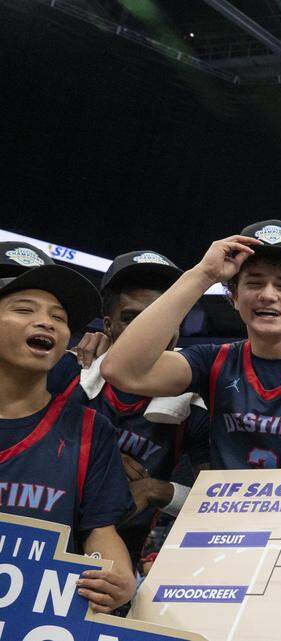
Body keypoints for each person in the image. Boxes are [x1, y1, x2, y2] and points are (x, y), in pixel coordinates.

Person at [102, 220, 281, 470]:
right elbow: (120, 370)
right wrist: (204, 274)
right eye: (254, 283)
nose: (267, 295)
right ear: (234, 297)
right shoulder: (212, 361)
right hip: (228, 523)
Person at [49, 251, 209, 566]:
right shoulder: (65, 371)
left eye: (161, 316)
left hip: (117, 561)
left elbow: (218, 499)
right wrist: (99, 456)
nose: (146, 330)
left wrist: (156, 490)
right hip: (36, 543)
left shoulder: (194, 404)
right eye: (131, 318)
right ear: (107, 325)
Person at [0, 259, 136, 613]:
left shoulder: (91, 430)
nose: (46, 321)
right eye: (24, 309)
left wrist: (116, 578)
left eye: (59, 318)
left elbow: (100, 531)